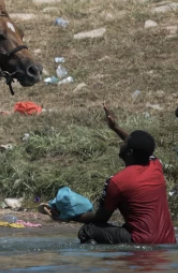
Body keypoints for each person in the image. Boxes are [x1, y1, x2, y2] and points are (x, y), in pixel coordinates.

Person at [51, 104, 176, 245]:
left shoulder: (117, 182)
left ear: (129, 152)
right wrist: (115, 127)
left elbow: (100, 219)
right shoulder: (155, 165)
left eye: (125, 143)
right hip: (168, 241)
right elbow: (141, 147)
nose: (121, 144)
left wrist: (68, 216)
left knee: (88, 230)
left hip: (140, 241)